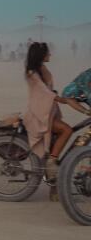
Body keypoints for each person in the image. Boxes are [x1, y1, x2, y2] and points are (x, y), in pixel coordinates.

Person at [23, 42, 88, 193]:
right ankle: (52, 161)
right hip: (38, 114)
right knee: (66, 130)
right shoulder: (32, 73)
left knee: (58, 137)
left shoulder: (41, 69)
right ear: (41, 55)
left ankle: (54, 186)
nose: (50, 55)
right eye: (48, 53)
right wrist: (62, 99)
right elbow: (43, 91)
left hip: (47, 111)